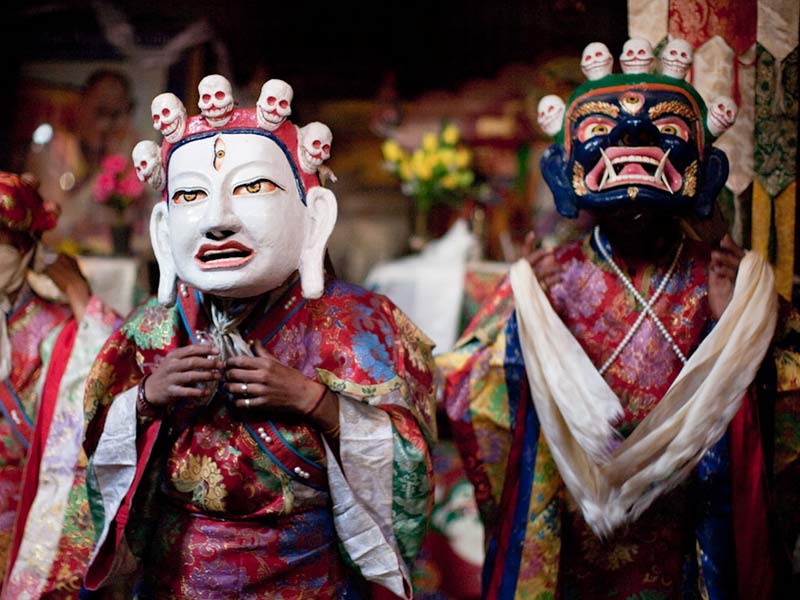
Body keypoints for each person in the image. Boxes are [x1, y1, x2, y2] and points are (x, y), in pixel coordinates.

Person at [439, 39, 800, 598]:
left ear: (704, 169)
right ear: (566, 170)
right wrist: (523, 320)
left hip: (688, 530)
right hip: (577, 540)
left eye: (667, 135)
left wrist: (735, 328)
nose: (632, 148)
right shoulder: (550, 277)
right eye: (604, 136)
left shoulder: (724, 275)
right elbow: (461, 387)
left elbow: (788, 391)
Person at [81, 75, 436, 598]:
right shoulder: (149, 332)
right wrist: (145, 401)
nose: (218, 220)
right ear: (163, 230)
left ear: (313, 218)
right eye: (190, 195)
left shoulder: (361, 324)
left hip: (307, 578)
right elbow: (92, 455)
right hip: (177, 578)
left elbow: (411, 466)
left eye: (251, 188)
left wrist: (314, 401)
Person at [0, 172, 118, 597]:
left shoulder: (62, 328)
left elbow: (112, 370)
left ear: (29, 246)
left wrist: (78, 294)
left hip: (30, 515)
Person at [25, 70, 147, 254]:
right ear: (81, 107)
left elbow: (148, 234)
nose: (106, 124)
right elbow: (55, 228)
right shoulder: (54, 149)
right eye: (100, 112)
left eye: (116, 114)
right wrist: (105, 170)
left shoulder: (134, 157)